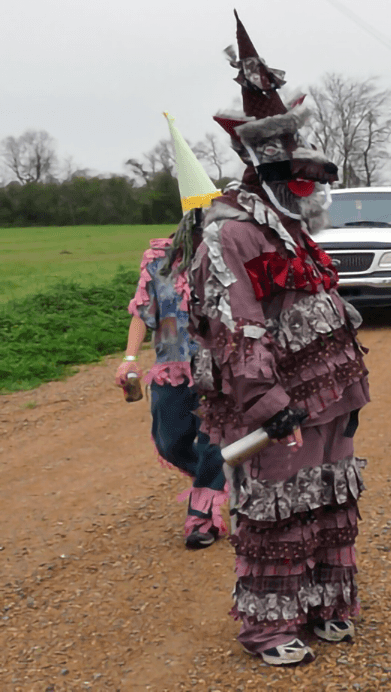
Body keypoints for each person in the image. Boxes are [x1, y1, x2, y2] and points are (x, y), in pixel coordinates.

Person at [189, 14, 370, 666]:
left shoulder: (293, 227)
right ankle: (270, 626)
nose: (314, 187)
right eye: (303, 174)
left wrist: (344, 387)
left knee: (326, 497)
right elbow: (235, 326)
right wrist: (269, 405)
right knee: (276, 509)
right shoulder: (232, 231)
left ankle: (324, 604)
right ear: (270, 170)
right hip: (281, 406)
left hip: (329, 398)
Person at [115, 117, 228, 551]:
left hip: (219, 365)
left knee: (214, 439)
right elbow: (143, 311)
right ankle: (220, 478)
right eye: (200, 216)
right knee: (170, 440)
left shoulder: (225, 254)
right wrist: (128, 359)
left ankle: (202, 516)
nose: (206, 223)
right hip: (169, 364)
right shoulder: (159, 259)